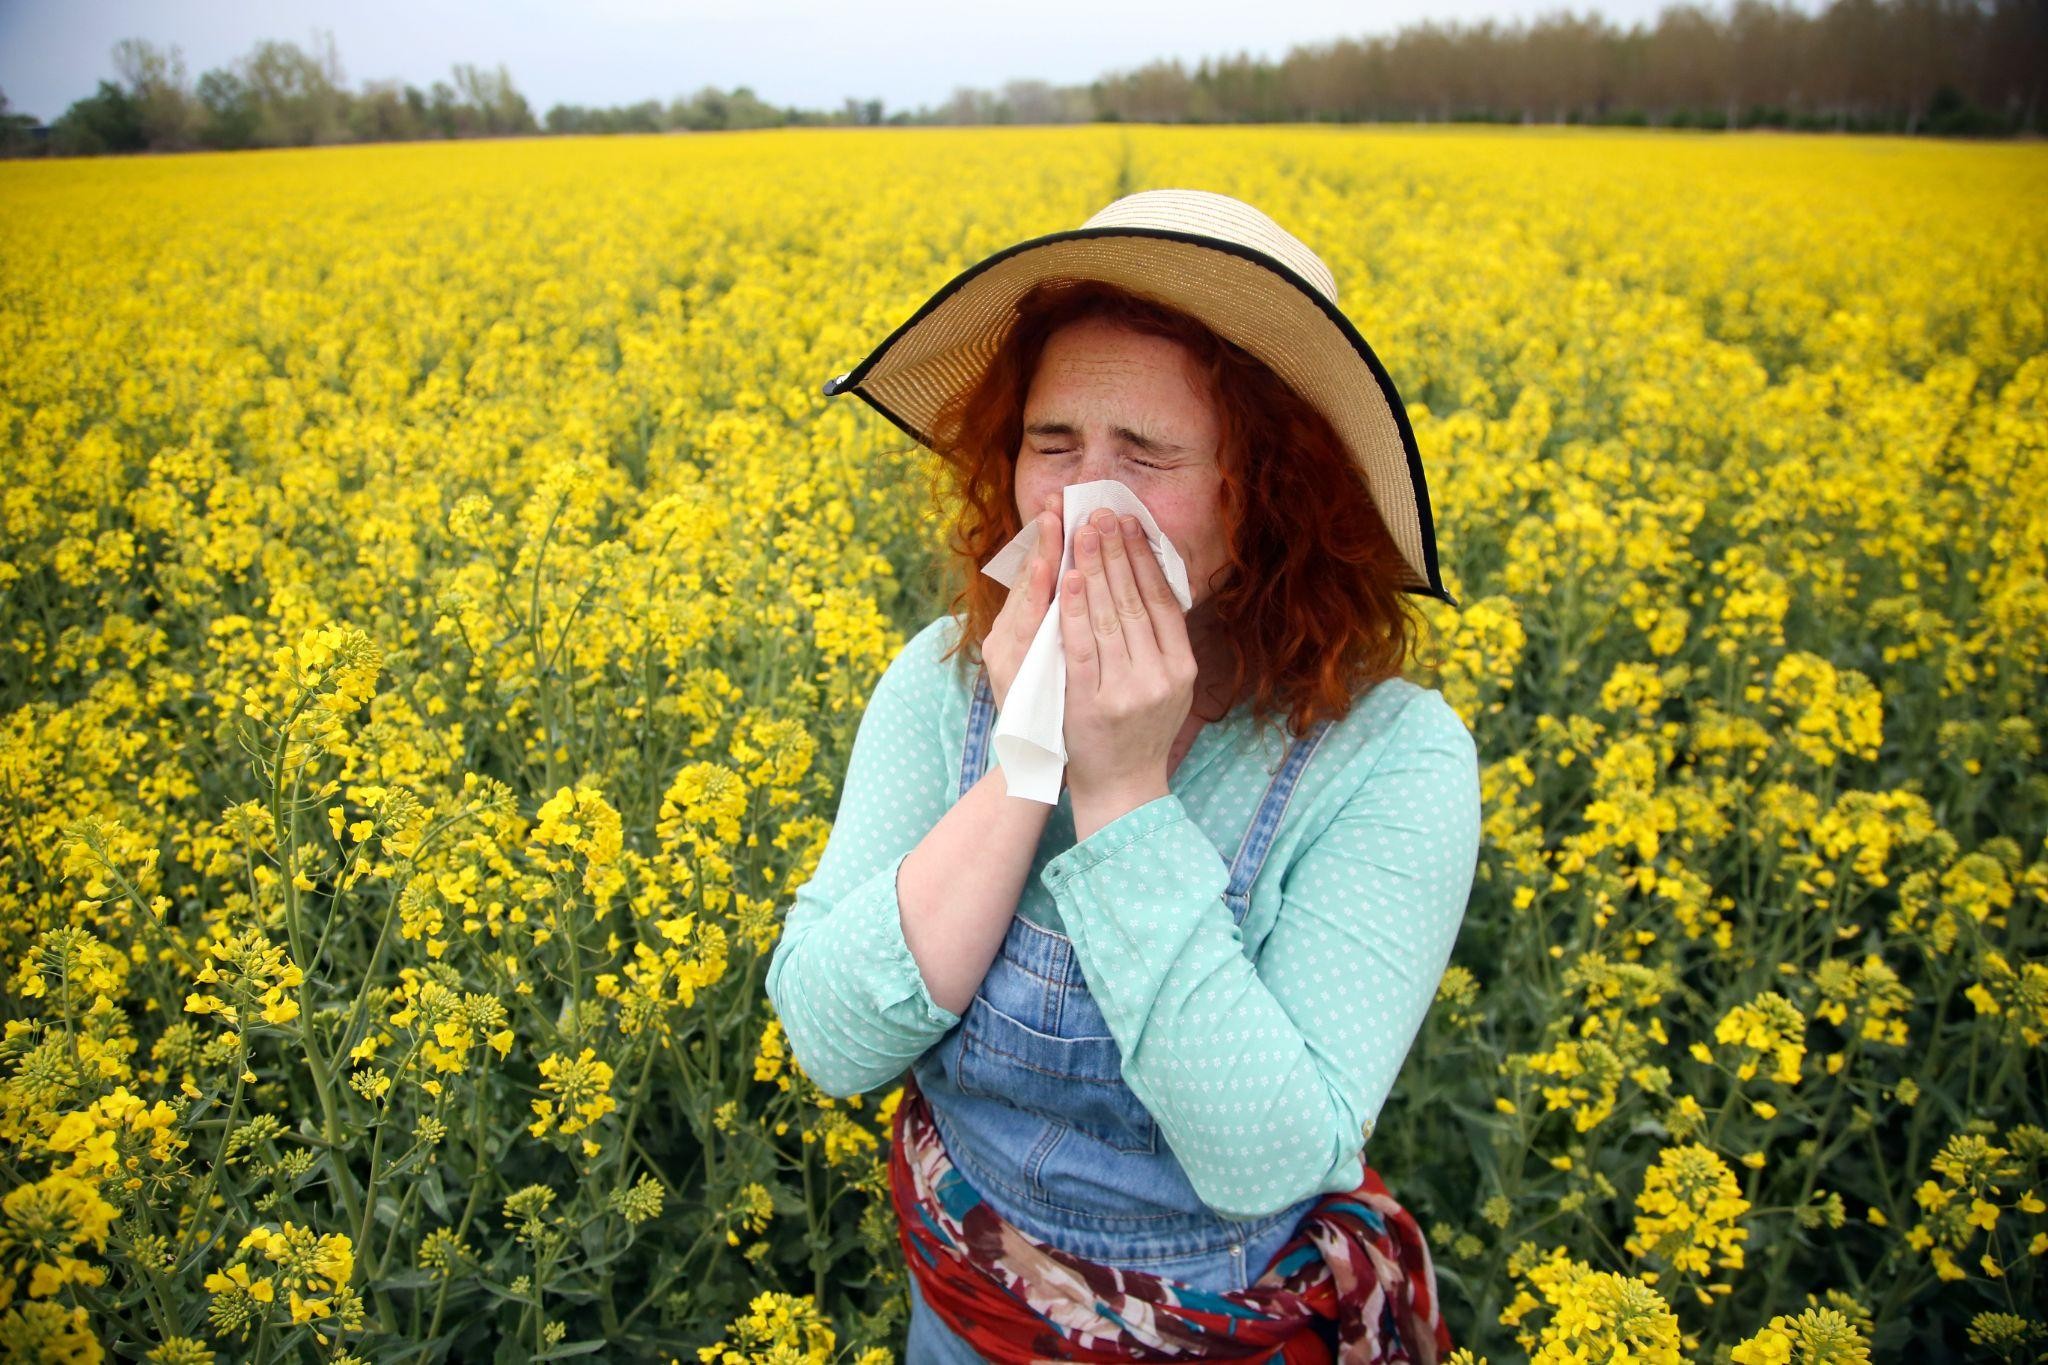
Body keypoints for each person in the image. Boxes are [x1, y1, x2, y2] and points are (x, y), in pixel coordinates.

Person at [767, 189, 1481, 1363]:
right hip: (959, 1317)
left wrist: (1121, 792)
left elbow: (1265, 1160)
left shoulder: (1390, 760)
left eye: (1143, 456)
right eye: (1052, 445)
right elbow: (833, 1041)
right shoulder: (943, 680)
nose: (1078, 500)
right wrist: (1028, 755)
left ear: (1270, 498)